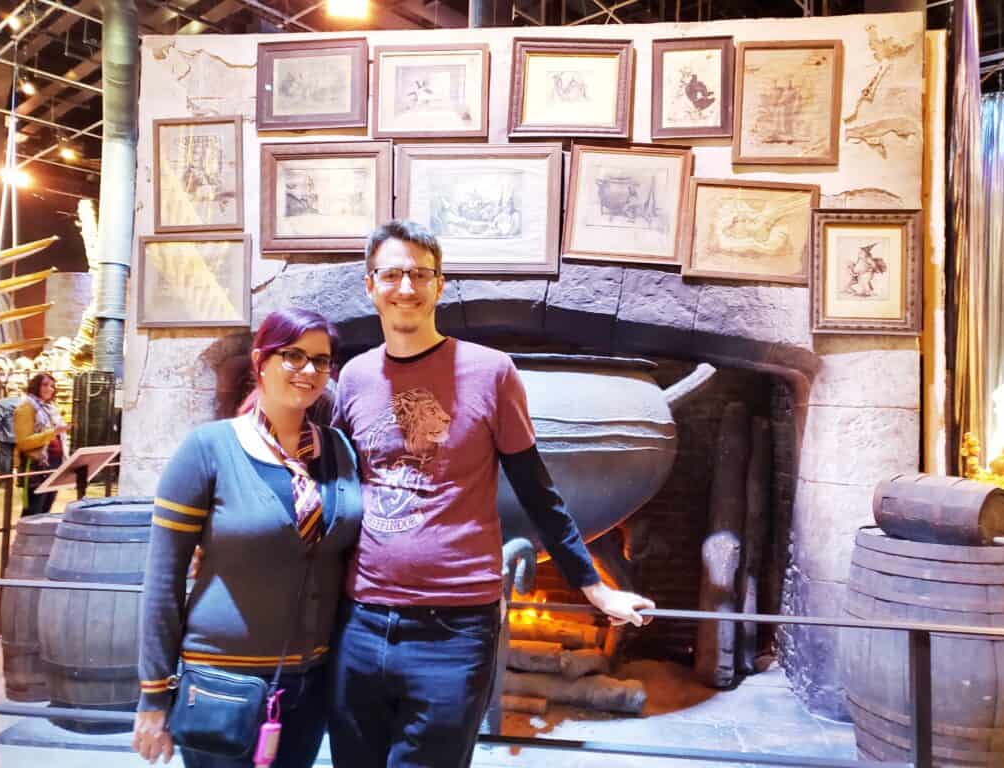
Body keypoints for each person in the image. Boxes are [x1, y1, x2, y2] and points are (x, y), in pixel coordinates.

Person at [327, 219, 656, 768]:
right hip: (362, 620)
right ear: (370, 285)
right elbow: (335, 488)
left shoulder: (490, 372)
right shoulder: (356, 377)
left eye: (419, 274)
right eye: (391, 274)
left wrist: (594, 589)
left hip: (454, 629)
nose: (405, 287)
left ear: (440, 285)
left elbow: (537, 490)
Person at [132, 308, 363, 767]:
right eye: (293, 356)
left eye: (321, 360)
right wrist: (153, 696)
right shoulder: (209, 448)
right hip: (222, 682)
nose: (309, 370)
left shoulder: (339, 449)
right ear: (260, 361)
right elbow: (163, 580)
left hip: (310, 681)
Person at [13, 372, 68, 516]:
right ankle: (25, 539)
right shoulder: (26, 408)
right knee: (33, 510)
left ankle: (39, 537)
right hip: (36, 466)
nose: (50, 389)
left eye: (52, 386)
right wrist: (52, 433)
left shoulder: (49, 408)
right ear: (35, 386)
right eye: (45, 385)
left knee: (46, 508)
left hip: (53, 464)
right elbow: (24, 442)